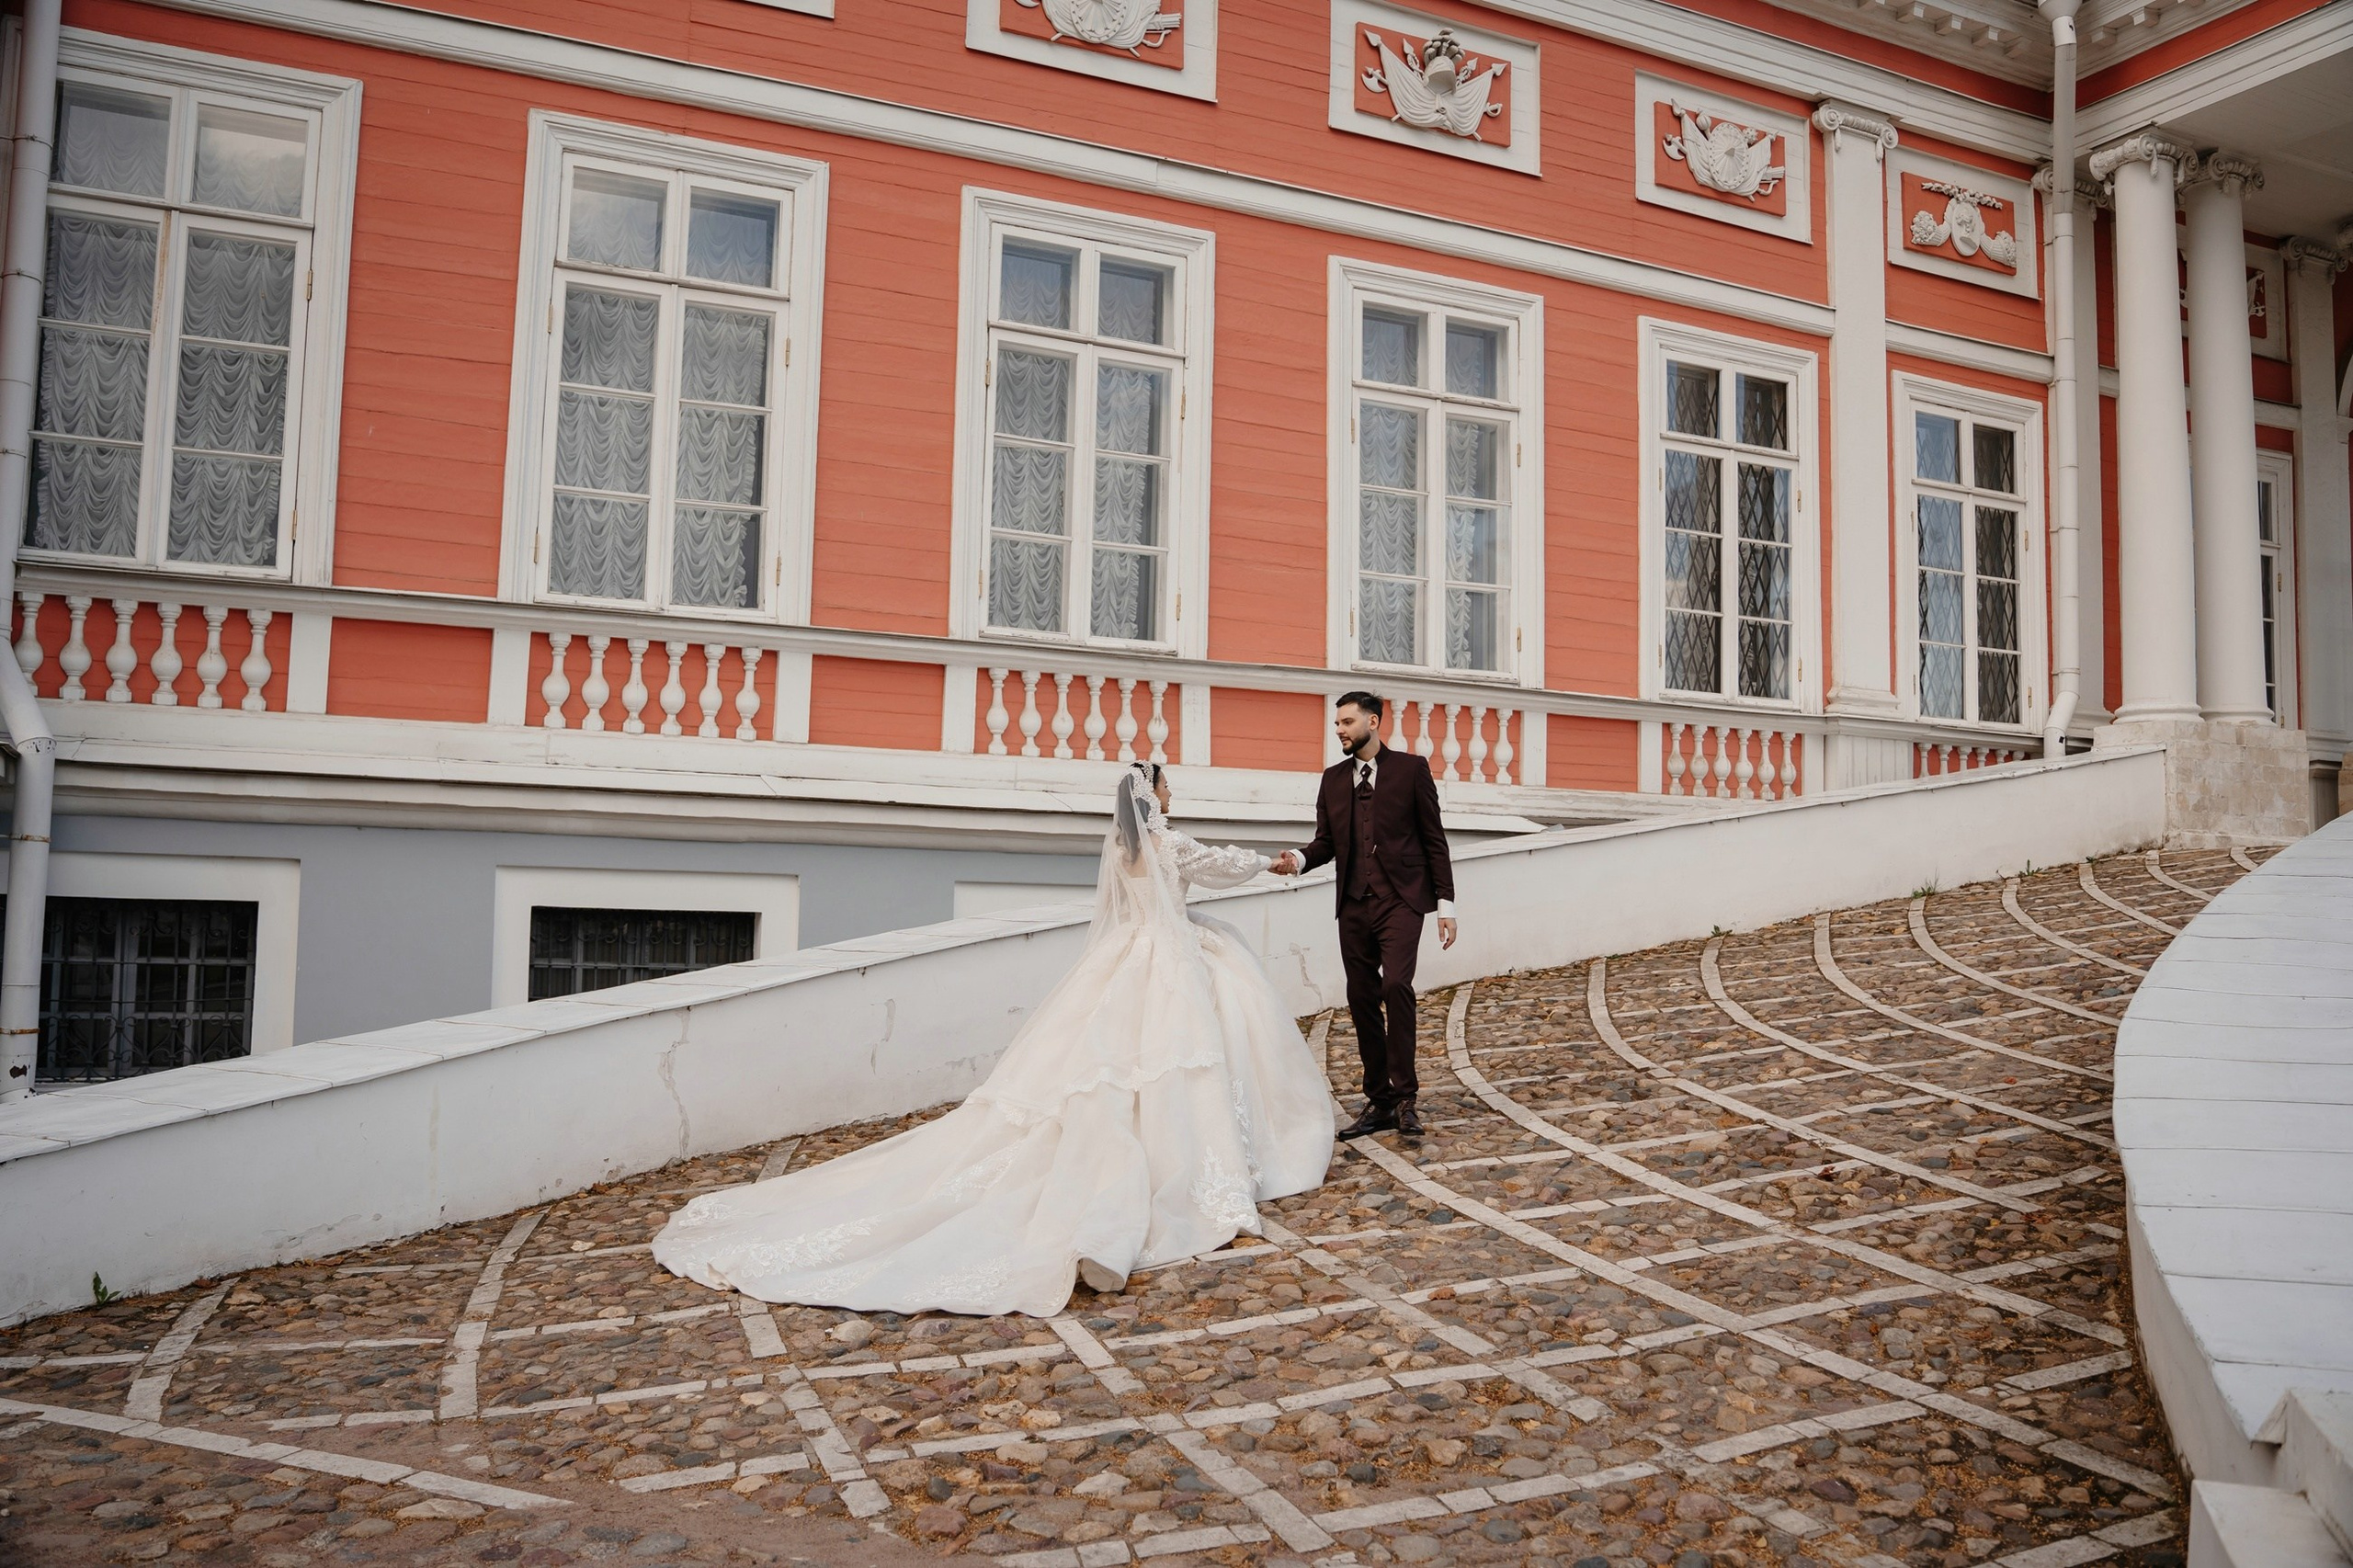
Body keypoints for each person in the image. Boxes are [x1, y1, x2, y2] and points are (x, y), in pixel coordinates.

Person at [651, 764, 1334, 1318]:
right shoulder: (1168, 843)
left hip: (1127, 955)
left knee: (1110, 1067)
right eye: (1165, 786)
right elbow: (1218, 864)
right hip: (1170, 956)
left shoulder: (1122, 848)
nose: (1171, 793)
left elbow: (1131, 906)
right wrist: (1277, 862)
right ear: (1154, 796)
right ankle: (1196, 1170)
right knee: (1184, 1058)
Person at [1268, 692, 1455, 1140]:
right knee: (1362, 997)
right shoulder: (1332, 779)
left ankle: (1407, 1098)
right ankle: (1381, 1102)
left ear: (1373, 721)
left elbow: (1435, 840)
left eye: (1348, 722)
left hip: (1402, 899)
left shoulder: (1412, 770)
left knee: (1396, 985)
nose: (1340, 730)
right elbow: (1325, 843)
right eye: (1337, 724)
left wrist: (1445, 905)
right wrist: (1297, 857)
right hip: (1353, 903)